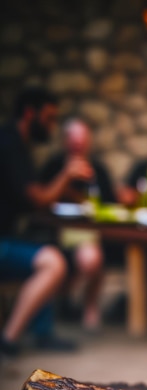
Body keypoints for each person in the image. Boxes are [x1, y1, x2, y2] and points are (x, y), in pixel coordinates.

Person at [0, 86, 92, 355]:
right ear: (30, 113)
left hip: (9, 236)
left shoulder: (17, 144)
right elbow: (39, 198)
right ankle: (8, 338)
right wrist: (67, 173)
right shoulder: (9, 145)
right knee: (53, 262)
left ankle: (43, 332)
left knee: (46, 244)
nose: (52, 126)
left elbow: (33, 194)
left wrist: (74, 194)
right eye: (49, 118)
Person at [39, 118, 117, 331]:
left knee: (94, 254)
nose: (78, 144)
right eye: (74, 139)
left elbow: (110, 202)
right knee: (89, 255)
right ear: (65, 141)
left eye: (82, 139)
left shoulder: (97, 169)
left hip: (95, 232)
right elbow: (41, 201)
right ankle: (70, 302)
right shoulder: (54, 166)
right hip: (58, 231)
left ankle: (87, 305)